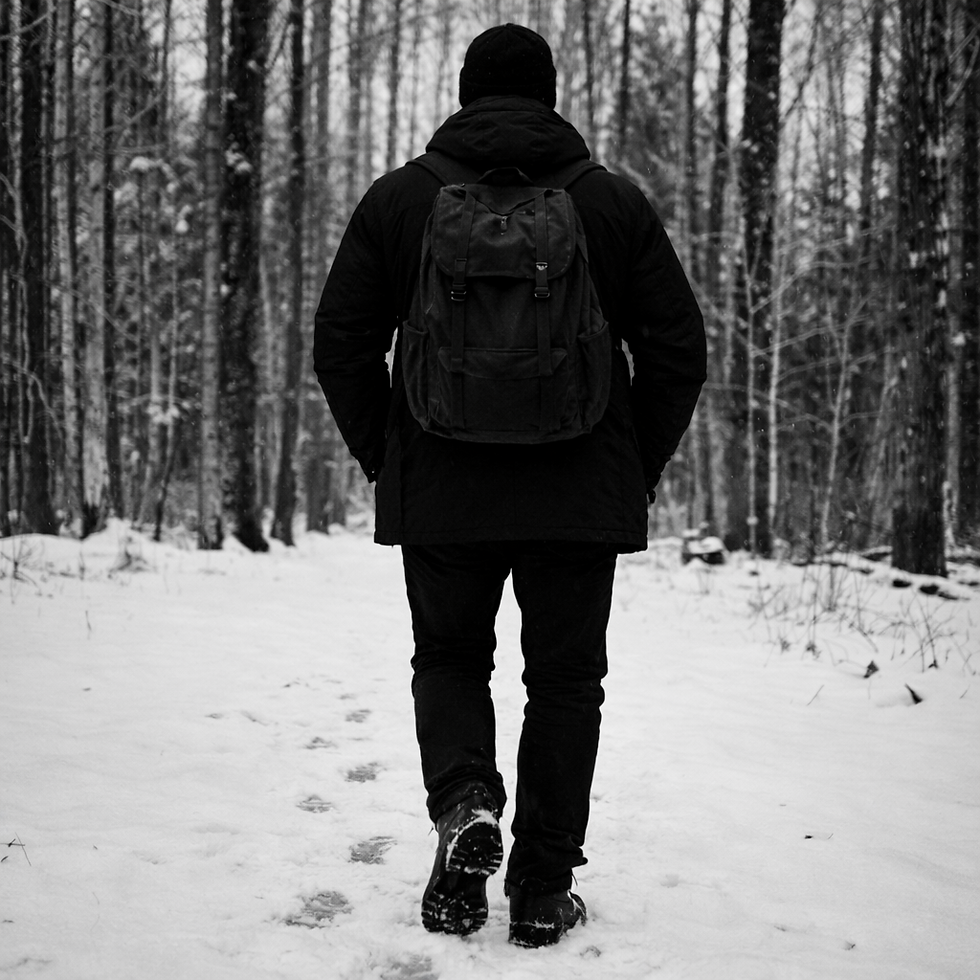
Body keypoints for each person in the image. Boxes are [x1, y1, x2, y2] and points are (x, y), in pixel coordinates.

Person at [313, 23, 706, 947]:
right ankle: (539, 891)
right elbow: (678, 351)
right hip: (578, 493)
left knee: (450, 660)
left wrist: (391, 459)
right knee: (565, 684)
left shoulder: (402, 200)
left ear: (465, 93)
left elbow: (341, 345)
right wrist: (630, 469)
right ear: (550, 96)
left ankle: (464, 809)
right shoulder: (610, 203)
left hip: (442, 489)